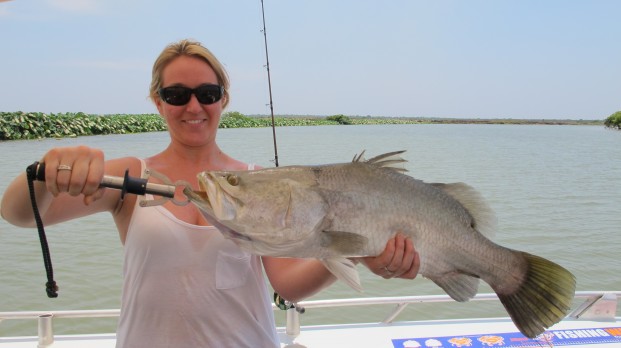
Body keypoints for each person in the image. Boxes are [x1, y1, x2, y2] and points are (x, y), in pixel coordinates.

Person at [0, 39, 420, 347]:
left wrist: (356, 255)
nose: (193, 106)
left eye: (208, 93)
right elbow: (18, 213)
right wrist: (45, 173)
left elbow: (287, 287)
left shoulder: (264, 183)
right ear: (157, 101)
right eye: (176, 95)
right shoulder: (129, 176)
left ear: (224, 99)